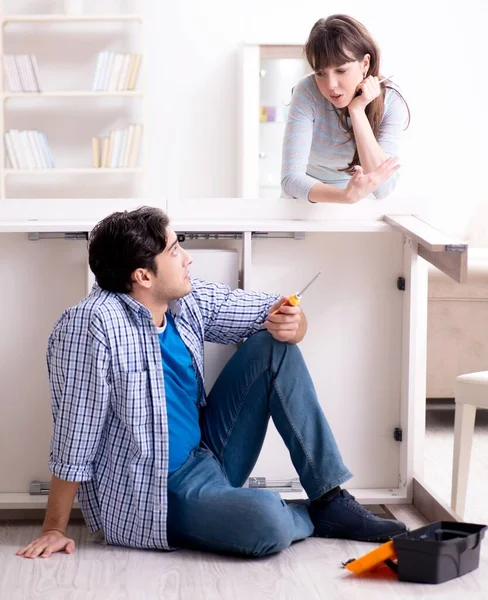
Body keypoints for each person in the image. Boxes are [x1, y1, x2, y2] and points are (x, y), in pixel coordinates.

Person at [17, 206, 406, 560]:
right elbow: (75, 434)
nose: (187, 259)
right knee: (266, 521)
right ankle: (303, 516)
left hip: (209, 454)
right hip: (159, 495)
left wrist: (295, 323)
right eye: (173, 251)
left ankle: (329, 498)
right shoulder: (91, 326)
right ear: (143, 276)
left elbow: (270, 312)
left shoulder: (183, 299)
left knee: (273, 347)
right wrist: (54, 527)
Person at [281, 14, 409, 204]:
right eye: (321, 73)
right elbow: (290, 179)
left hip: (359, 205)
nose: (331, 84)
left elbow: (383, 188)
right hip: (305, 201)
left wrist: (357, 111)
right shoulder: (307, 91)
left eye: (341, 70)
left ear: (365, 63)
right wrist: (344, 196)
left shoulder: (390, 100)